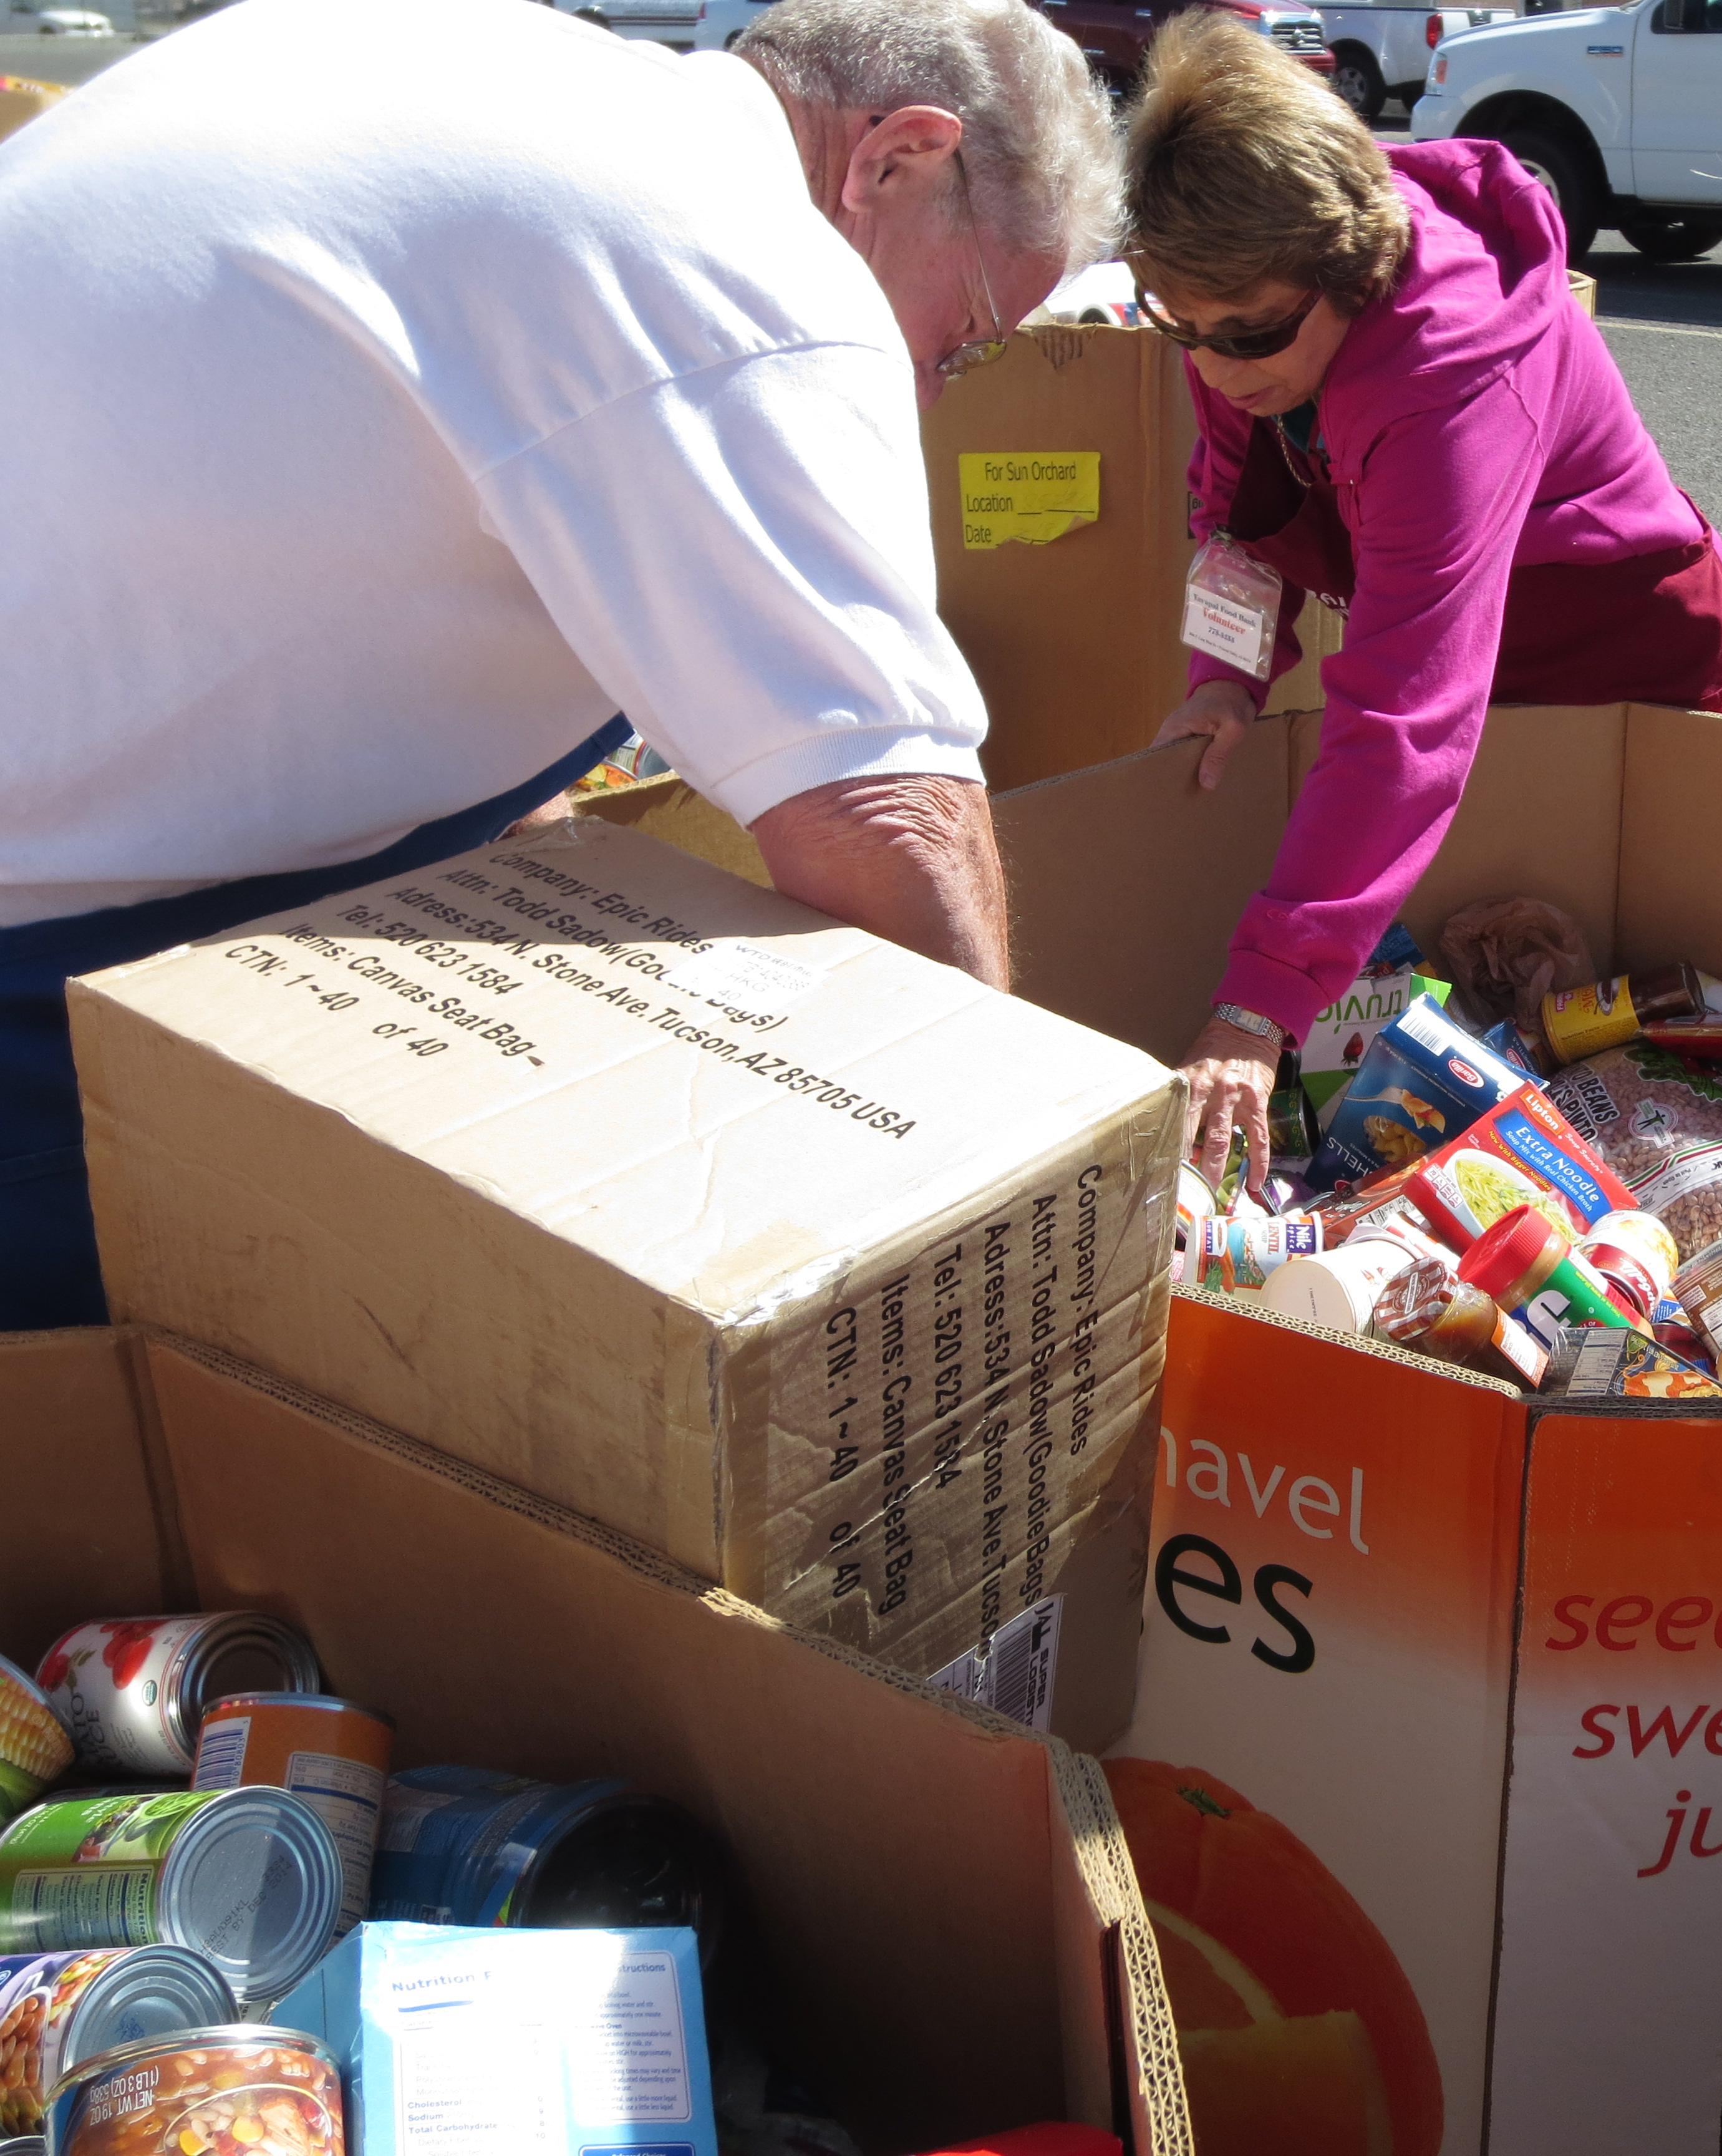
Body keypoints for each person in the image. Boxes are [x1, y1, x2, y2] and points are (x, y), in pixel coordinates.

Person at [0, 0, 1120, 1329]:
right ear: (900, 160)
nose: (938, 390)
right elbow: (893, 828)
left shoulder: (514, 76)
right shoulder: (742, 252)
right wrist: (1016, 1270)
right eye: (974, 331)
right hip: (60, 968)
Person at [1122, 15, 1722, 1187]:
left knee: (1637, 1013)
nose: (1215, 369)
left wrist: (1255, 1007)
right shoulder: (1245, 307)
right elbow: (1233, 506)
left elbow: (1403, 715)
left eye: (1249, 334)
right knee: (1478, 1000)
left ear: (1350, 266)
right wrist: (1224, 675)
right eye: (1183, 330)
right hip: (1453, 641)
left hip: (1609, 642)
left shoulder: (1447, 377)